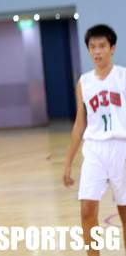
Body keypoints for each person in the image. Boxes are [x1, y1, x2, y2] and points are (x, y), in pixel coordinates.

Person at [63, 24, 126, 255]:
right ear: (88, 50)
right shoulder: (84, 82)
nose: (97, 51)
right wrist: (68, 161)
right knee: (87, 210)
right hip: (95, 149)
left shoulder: (123, 77)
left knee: (125, 212)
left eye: (102, 46)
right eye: (92, 47)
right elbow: (80, 123)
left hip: (122, 147)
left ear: (112, 48)